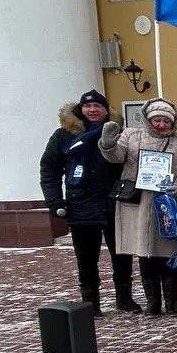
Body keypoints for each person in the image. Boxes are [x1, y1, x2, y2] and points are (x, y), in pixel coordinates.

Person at [99, 99, 177, 316]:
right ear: (148, 119)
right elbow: (116, 157)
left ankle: (172, 302)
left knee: (168, 253)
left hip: (167, 203)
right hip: (138, 204)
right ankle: (152, 303)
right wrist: (108, 143)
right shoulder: (132, 136)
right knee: (144, 252)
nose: (161, 124)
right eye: (156, 120)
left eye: (165, 120)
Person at [39, 90, 134, 316]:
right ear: (80, 110)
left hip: (114, 201)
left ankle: (124, 298)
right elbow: (49, 169)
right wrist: (54, 200)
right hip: (80, 204)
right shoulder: (64, 136)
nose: (93, 110)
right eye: (88, 106)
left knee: (122, 253)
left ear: (105, 110)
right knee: (86, 258)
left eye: (98, 106)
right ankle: (91, 302)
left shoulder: (118, 133)